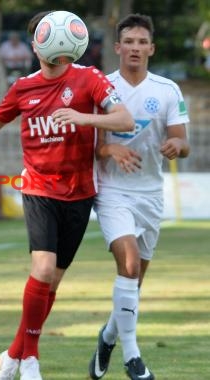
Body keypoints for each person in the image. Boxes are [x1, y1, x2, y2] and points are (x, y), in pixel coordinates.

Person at [0, 11, 134, 380]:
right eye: (41, 35)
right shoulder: (23, 87)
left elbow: (124, 119)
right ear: (36, 44)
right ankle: (31, 359)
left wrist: (85, 118)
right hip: (38, 188)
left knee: (51, 282)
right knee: (44, 269)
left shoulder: (89, 79)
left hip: (80, 193)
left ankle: (13, 354)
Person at [88, 14, 189, 380]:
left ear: (151, 48)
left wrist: (176, 144)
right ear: (118, 48)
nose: (134, 47)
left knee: (134, 280)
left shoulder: (167, 90)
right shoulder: (102, 88)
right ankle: (133, 357)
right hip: (113, 191)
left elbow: (183, 140)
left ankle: (108, 336)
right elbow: (94, 147)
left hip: (151, 194)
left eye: (141, 42)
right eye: (128, 41)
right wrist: (110, 151)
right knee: (128, 262)